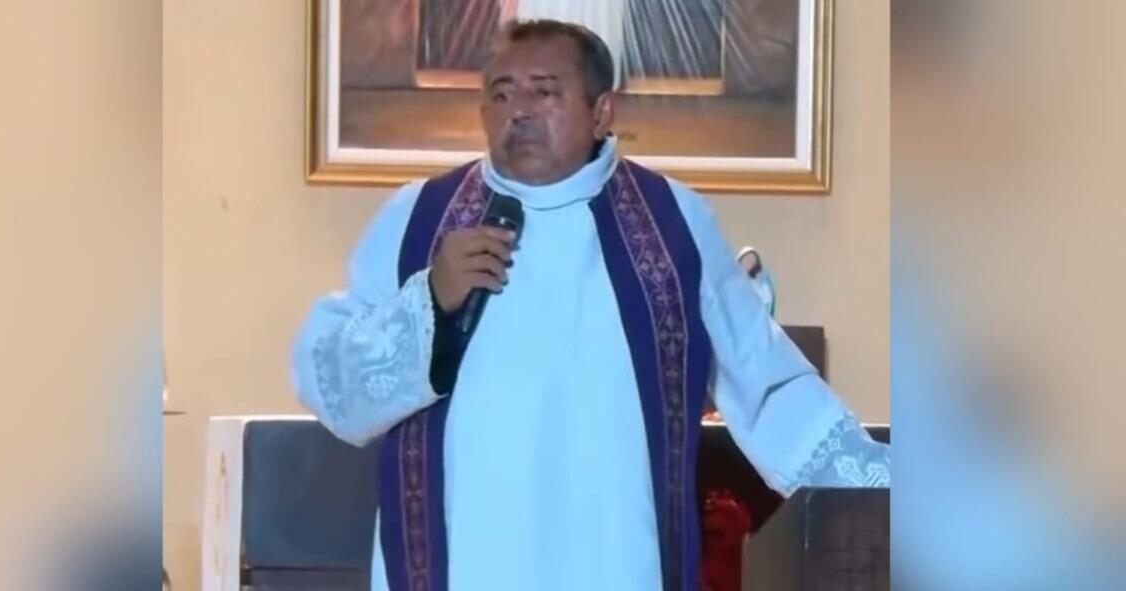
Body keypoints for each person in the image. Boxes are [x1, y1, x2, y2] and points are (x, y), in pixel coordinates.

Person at [291, 19, 888, 591]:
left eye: (544, 91)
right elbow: (332, 386)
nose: (519, 111)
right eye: (501, 94)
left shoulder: (671, 224)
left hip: (616, 560)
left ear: (602, 112)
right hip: (465, 563)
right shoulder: (418, 220)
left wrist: (888, 495)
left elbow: (766, 382)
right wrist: (428, 304)